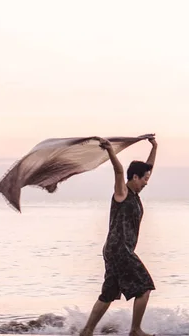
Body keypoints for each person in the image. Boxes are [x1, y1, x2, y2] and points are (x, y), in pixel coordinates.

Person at [80, 135, 158, 336]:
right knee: (145, 286)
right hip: (120, 249)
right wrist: (110, 151)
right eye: (144, 179)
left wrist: (154, 147)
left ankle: (87, 331)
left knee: (108, 294)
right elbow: (119, 170)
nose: (147, 183)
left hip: (114, 250)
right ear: (134, 178)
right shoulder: (122, 193)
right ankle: (135, 330)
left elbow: (147, 167)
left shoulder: (135, 193)